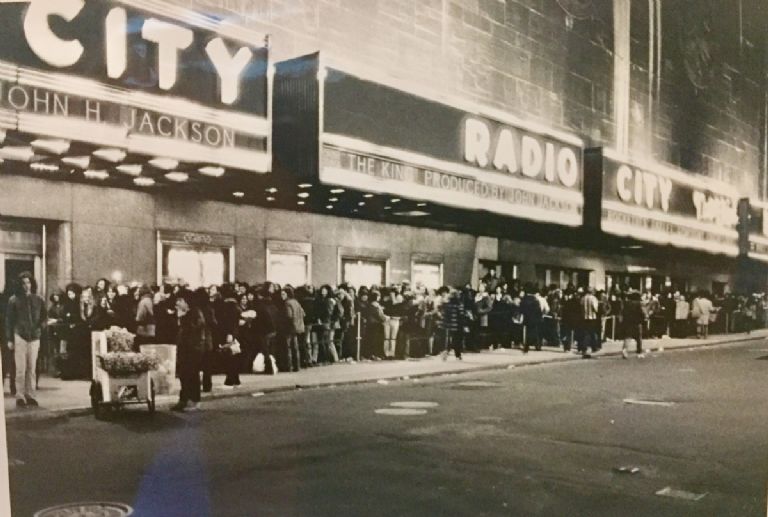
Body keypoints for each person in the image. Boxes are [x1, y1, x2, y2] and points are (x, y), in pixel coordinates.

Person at [4, 272, 46, 408]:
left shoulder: (39, 299)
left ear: (32, 283)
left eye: (28, 282)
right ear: (19, 285)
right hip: (19, 336)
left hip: (34, 337)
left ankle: (31, 395)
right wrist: (10, 339)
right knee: (20, 369)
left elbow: (44, 317)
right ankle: (20, 396)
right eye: (23, 283)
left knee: (32, 368)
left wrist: (40, 328)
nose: (26, 285)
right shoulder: (13, 300)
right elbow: (9, 321)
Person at [171, 289, 205, 412]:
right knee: (183, 375)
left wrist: (182, 318)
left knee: (192, 375)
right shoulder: (183, 314)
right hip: (184, 348)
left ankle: (195, 401)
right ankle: (183, 400)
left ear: (187, 301)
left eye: (180, 300)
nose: (177, 303)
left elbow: (194, 328)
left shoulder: (195, 313)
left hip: (193, 349)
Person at [281, 286, 305, 372]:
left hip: (289, 327)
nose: (282, 296)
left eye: (283, 294)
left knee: (288, 347)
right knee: (295, 347)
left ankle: (289, 366)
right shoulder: (296, 302)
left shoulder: (287, 303)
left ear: (287, 294)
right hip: (297, 327)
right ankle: (297, 366)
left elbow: (289, 315)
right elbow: (303, 313)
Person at [621, 291, 646, 359]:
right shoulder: (639, 304)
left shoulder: (626, 304)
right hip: (637, 322)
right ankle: (639, 352)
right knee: (638, 338)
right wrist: (644, 318)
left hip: (628, 322)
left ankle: (625, 350)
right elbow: (642, 312)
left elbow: (623, 312)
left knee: (627, 337)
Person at [581, 287, 600, 358]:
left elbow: (581, 307)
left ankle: (587, 347)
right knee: (592, 333)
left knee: (586, 332)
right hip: (592, 318)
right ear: (592, 292)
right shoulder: (593, 298)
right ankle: (592, 347)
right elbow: (595, 308)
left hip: (584, 318)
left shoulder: (583, 298)